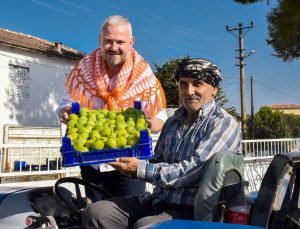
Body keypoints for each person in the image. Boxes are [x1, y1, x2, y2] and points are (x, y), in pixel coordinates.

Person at [82, 58, 242, 228]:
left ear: (214, 89)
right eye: (183, 84)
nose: (189, 91)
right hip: (156, 201)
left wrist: (140, 169)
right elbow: (156, 161)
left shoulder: (223, 123)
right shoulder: (173, 123)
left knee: (146, 225)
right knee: (96, 213)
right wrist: (121, 154)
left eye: (197, 84)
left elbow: (195, 170)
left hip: (193, 210)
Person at [56, 15, 167, 201]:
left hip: (129, 161)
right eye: (108, 41)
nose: (114, 48)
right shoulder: (84, 69)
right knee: (96, 215)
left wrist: (148, 124)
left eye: (120, 42)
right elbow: (65, 101)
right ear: (100, 40)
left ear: (131, 42)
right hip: (92, 161)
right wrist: (64, 111)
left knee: (129, 214)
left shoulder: (143, 75)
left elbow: (160, 117)